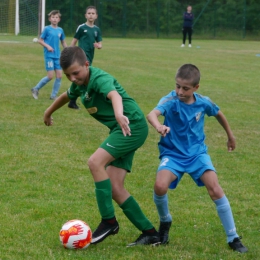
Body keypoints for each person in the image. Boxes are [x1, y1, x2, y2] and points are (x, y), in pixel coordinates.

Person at [43, 46, 160, 246]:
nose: (72, 78)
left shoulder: (99, 79)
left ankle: (109, 221)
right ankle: (150, 233)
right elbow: (66, 95)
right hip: (122, 128)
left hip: (131, 125)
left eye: (76, 73)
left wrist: (118, 114)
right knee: (114, 187)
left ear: (87, 65)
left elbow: (114, 95)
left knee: (95, 162)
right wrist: (48, 112)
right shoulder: (80, 83)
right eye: (69, 75)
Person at [146, 64, 248, 253]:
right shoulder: (170, 100)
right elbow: (152, 114)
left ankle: (233, 237)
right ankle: (165, 222)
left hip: (197, 155)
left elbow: (218, 113)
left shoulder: (203, 102)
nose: (180, 91)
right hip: (173, 155)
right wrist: (159, 126)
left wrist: (230, 135)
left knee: (215, 189)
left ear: (196, 88)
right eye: (177, 86)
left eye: (185, 88)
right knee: (160, 186)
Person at [68, 6, 102, 110]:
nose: (91, 15)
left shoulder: (97, 29)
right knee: (86, 78)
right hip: (81, 57)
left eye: (93, 13)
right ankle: (87, 98)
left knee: (82, 78)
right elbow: (74, 41)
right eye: (89, 13)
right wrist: (70, 53)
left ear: (96, 16)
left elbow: (100, 43)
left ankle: (72, 100)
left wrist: (98, 46)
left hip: (90, 57)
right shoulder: (81, 28)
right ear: (85, 15)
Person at [31, 10, 67, 100]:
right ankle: (36, 89)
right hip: (49, 55)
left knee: (59, 75)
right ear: (49, 19)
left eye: (56, 17)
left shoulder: (60, 30)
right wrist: (48, 46)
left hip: (58, 56)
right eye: (53, 17)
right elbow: (40, 40)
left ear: (59, 19)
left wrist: (67, 50)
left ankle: (53, 95)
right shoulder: (47, 29)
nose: (54, 19)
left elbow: (63, 41)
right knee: (50, 76)